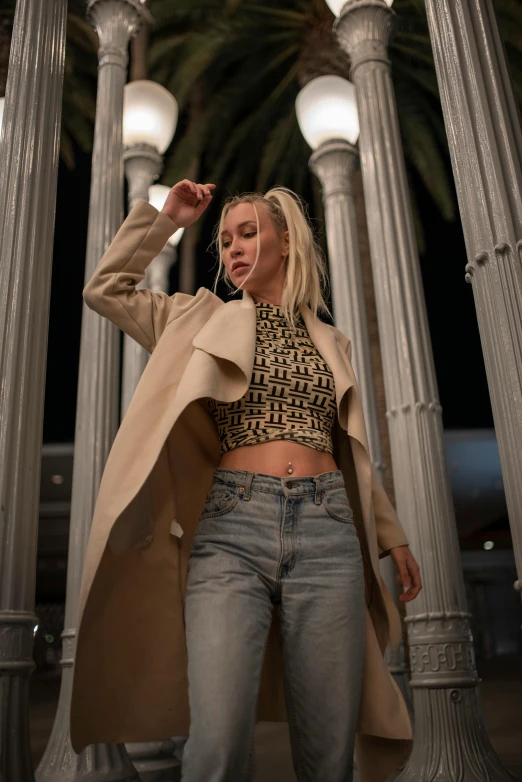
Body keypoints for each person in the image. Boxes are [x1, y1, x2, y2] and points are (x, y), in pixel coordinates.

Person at [70, 179, 422, 782]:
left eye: (249, 233)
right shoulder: (193, 318)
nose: (232, 248)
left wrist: (391, 535)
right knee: (217, 741)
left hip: (329, 530)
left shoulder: (329, 340)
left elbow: (349, 447)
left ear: (286, 242)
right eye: (226, 240)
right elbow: (105, 289)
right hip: (231, 531)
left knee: (329, 746)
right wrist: (168, 219)